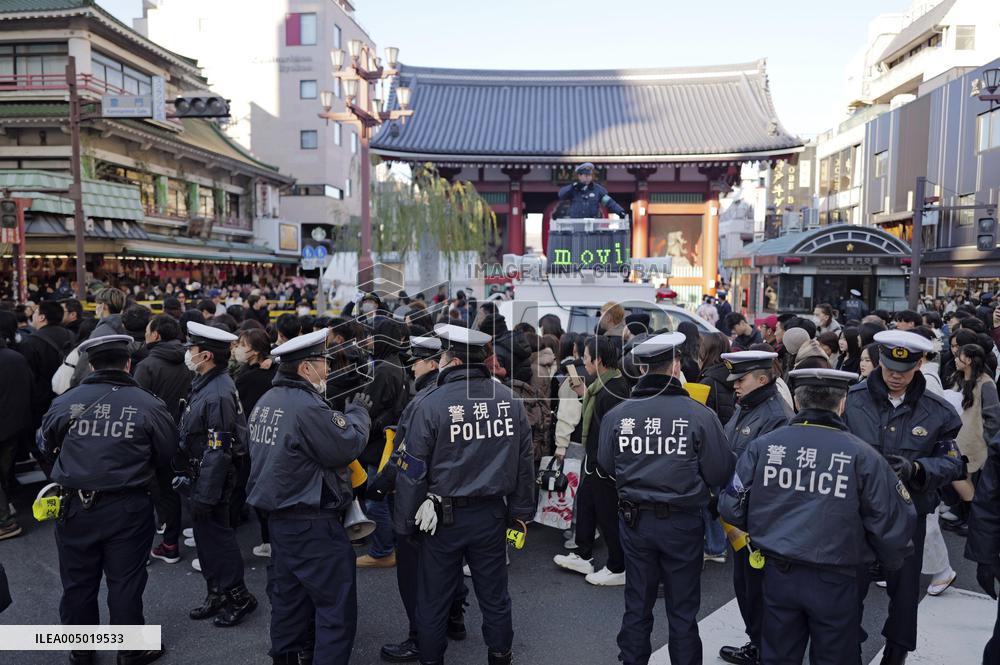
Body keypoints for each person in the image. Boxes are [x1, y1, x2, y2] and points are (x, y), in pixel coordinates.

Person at [720, 368, 916, 665]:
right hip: (836, 576)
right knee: (835, 655)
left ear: (797, 403)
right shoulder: (863, 456)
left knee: (779, 655)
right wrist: (882, 562)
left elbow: (731, 506)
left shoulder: (764, 447)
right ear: (842, 403)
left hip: (778, 572)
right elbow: (893, 525)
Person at [394, 324, 535, 665]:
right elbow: (524, 462)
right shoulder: (509, 402)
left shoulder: (430, 403)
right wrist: (520, 513)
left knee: (433, 598)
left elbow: (412, 471)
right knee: (495, 595)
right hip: (491, 515)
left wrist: (405, 525)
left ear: (452, 361)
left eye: (441, 355)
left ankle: (431, 658)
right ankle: (500, 655)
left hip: (442, 518)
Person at [37, 334, 177, 665]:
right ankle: (130, 649)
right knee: (125, 581)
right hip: (128, 505)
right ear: (128, 363)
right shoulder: (147, 404)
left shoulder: (67, 401)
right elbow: (167, 453)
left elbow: (44, 443)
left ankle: (81, 650)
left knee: (77, 582)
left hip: (74, 506)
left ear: (92, 364)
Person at [597, 333, 735, 665]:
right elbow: (720, 472)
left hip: (634, 521)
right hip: (683, 522)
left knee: (637, 605)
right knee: (683, 610)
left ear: (643, 368)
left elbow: (605, 464)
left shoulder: (619, 415)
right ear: (675, 366)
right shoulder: (699, 415)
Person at [246, 328, 372, 665]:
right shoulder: (306, 406)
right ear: (305, 368)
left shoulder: (267, 402)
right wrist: (358, 415)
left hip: (280, 521)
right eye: (323, 363)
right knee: (335, 608)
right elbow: (345, 445)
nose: (328, 370)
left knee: (288, 603)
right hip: (312, 524)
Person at [843, 330, 965, 665]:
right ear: (880, 361)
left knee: (905, 594)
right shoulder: (851, 401)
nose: (896, 377)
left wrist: (917, 468)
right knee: (847, 592)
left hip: (907, 516)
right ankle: (847, 651)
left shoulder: (938, 411)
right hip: (855, 515)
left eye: (905, 370)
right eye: (889, 369)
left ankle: (896, 656)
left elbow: (954, 464)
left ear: (919, 365)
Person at [370, 335, 469, 663]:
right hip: (455, 498)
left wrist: (381, 486)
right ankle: (454, 617)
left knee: (414, 576)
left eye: (418, 360)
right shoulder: (464, 394)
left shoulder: (424, 399)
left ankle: (418, 636)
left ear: (435, 362)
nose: (412, 366)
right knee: (448, 563)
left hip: (422, 498)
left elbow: (405, 456)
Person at [175, 321, 256, 628]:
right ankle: (217, 593)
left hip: (214, 476)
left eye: (191, 350)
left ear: (206, 355)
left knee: (218, 539)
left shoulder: (218, 391)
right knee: (206, 539)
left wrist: (206, 494)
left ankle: (239, 596)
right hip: (202, 473)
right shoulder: (207, 383)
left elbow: (218, 449)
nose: (188, 354)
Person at [716, 350, 794, 665]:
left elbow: (769, 477)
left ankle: (766, 650)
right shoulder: (748, 406)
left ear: (762, 379)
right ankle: (757, 643)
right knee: (746, 587)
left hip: (758, 522)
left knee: (760, 591)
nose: (734, 385)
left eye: (741, 379)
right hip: (738, 517)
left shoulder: (775, 414)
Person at [554, 335, 630, 586]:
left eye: (586, 357)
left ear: (598, 360)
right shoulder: (604, 384)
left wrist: (604, 464)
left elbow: (613, 430)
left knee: (607, 515)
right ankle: (582, 553)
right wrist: (584, 393)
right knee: (586, 503)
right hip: (596, 460)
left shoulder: (613, 389)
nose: (583, 362)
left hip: (604, 465)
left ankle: (618, 566)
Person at [134, 314, 193, 565]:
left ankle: (143, 549)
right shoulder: (190, 360)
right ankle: (170, 544)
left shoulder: (146, 366)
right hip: (182, 433)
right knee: (171, 491)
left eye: (148, 331)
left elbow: (135, 405)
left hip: (149, 437)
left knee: (145, 493)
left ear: (156, 335)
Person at [357, 316, 410, 568]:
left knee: (374, 498)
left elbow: (368, 410)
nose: (366, 340)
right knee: (387, 496)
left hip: (377, 443)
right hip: (387, 441)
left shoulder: (383, 369)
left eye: (371, 335)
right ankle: (392, 544)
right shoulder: (395, 363)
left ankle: (382, 550)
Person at [231, 328, 278, 557]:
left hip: (250, 442)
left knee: (240, 491)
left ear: (256, 350)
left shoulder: (248, 377)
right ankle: (269, 541)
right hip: (269, 438)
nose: (238, 348)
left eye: (243, 344)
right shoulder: (273, 371)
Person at [18, 299, 73, 427]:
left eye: (36, 312)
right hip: (68, 396)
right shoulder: (71, 336)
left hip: (42, 402)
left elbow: (28, 376)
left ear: (42, 317)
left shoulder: (30, 342)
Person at [0, 328, 32, 540]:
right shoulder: (17, 357)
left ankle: (5, 522)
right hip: (14, 426)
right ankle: (7, 507)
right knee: (3, 471)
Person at [557, 162, 628, 218]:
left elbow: (608, 202)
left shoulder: (597, 190)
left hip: (593, 224)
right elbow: (561, 195)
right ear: (579, 176)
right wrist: (572, 186)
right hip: (576, 224)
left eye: (590, 175)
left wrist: (620, 211)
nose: (588, 177)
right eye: (586, 175)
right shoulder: (573, 189)